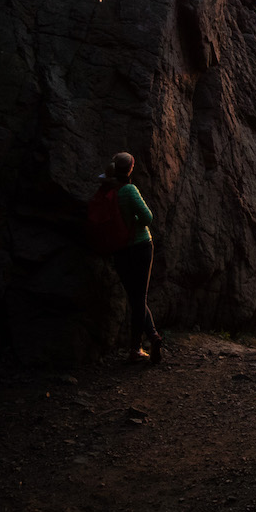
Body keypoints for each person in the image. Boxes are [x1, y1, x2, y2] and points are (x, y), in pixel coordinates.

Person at [100, 152, 163, 365]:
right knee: (139, 298)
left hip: (119, 250)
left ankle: (149, 339)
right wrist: (133, 220)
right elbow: (147, 218)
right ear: (131, 168)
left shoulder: (107, 190)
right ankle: (141, 344)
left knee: (134, 297)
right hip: (141, 246)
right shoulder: (129, 190)